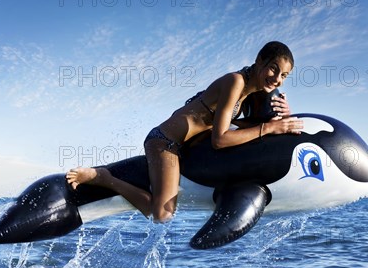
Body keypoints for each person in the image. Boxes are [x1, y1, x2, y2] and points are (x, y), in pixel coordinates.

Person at [66, 41, 303, 222]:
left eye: (284, 75)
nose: (278, 79)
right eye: (274, 69)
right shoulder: (235, 82)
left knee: (162, 211)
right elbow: (220, 139)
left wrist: (283, 116)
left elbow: (245, 128)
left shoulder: (247, 94)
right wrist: (270, 127)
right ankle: (103, 177)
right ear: (260, 60)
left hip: (184, 148)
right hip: (165, 143)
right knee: (162, 213)